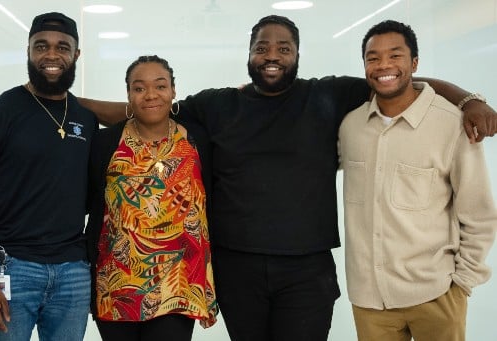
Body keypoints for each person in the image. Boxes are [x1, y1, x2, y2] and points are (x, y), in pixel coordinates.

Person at [79, 15, 497, 341]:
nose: (272, 55)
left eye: (283, 47)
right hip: (237, 265)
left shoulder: (329, 95)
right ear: (249, 54)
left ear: (297, 54)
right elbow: (148, 110)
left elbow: (401, 84)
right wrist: (70, 103)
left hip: (307, 270)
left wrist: (468, 98)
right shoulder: (219, 105)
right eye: (262, 47)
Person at [338, 20, 497, 341]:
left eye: (395, 56)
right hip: (369, 302)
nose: (383, 65)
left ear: (414, 64)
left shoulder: (451, 125)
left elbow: (479, 214)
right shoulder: (350, 127)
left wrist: (461, 283)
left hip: (436, 295)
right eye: (373, 57)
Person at [0, 12, 97, 340]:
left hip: (72, 272)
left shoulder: (85, 119)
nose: (51, 55)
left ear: (76, 54)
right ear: (28, 51)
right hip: (11, 267)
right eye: (41, 46)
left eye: (62, 47)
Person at [86, 55, 218, 341]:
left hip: (179, 283)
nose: (151, 95)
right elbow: (91, 204)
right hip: (117, 282)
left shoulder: (197, 139)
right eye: (139, 88)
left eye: (160, 86)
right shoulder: (105, 143)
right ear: (129, 96)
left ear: (173, 91)